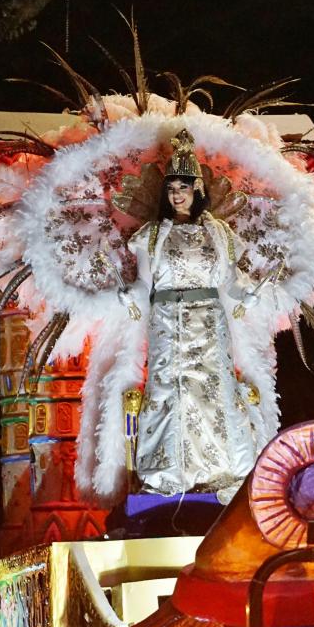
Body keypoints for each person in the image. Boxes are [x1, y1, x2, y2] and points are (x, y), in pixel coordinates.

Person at [121, 130, 265, 501]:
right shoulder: (152, 235)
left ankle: (219, 471)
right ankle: (166, 472)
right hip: (167, 319)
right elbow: (143, 284)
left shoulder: (219, 234)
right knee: (169, 390)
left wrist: (247, 293)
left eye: (183, 188)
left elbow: (230, 284)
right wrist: (127, 296)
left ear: (197, 189)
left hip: (207, 319)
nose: (176, 195)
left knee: (210, 390)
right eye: (171, 190)